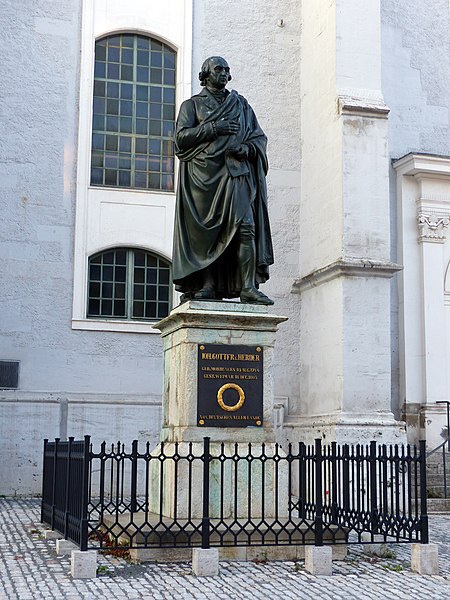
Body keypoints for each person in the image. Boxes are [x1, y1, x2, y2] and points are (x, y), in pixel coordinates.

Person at [172, 56, 274, 305]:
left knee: (246, 227)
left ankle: (248, 287)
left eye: (227, 70)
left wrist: (248, 150)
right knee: (207, 234)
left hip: (236, 174)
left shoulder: (241, 105)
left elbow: (258, 138)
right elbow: (181, 139)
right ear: (205, 74)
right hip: (204, 178)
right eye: (218, 69)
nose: (224, 73)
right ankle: (207, 285)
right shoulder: (192, 106)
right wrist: (215, 128)